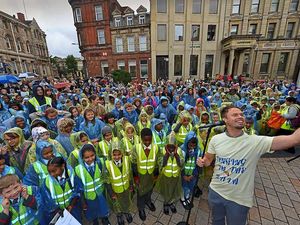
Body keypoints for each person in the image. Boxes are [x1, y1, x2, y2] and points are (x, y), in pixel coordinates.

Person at [196, 105, 300, 225]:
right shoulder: (216, 139)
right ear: (225, 119)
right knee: (216, 221)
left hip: (238, 199)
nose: (240, 117)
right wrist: (203, 162)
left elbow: (293, 140)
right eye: (235, 115)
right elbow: (208, 160)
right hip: (215, 192)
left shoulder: (255, 141)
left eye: (241, 114)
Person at [74, 144, 110, 225]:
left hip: (100, 192)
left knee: (102, 206)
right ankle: (95, 221)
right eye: (86, 157)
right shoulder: (78, 169)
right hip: (88, 196)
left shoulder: (100, 162)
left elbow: (105, 178)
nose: (90, 159)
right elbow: (79, 188)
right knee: (92, 210)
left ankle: (105, 218)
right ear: (82, 158)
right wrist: (83, 201)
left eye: (92, 155)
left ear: (95, 154)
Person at [40, 157, 81, 224]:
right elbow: (47, 199)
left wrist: (71, 205)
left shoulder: (71, 175)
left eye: (54, 171)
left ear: (62, 166)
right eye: (49, 172)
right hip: (59, 212)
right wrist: (57, 210)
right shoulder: (47, 182)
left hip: (73, 208)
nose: (52, 174)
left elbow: (77, 191)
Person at [104, 140, 135, 225]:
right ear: (111, 154)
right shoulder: (107, 164)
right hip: (115, 190)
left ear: (122, 153)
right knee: (116, 204)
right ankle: (119, 215)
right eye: (114, 155)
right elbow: (106, 181)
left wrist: (131, 185)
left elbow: (130, 173)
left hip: (126, 187)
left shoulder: (126, 160)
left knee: (126, 201)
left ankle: (126, 212)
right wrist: (111, 193)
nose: (117, 157)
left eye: (119, 154)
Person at [131, 128, 159, 221]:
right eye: (145, 140)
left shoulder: (155, 147)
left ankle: (148, 201)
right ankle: (141, 207)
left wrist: (156, 174)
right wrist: (135, 176)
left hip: (151, 173)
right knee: (141, 191)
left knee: (150, 189)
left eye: (149, 140)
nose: (147, 142)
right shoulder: (136, 147)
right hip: (140, 174)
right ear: (141, 139)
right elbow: (134, 162)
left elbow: (157, 161)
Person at [154, 134, 184, 215]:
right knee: (166, 190)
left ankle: (171, 202)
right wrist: (166, 154)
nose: (171, 149)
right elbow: (162, 164)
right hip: (166, 176)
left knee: (173, 190)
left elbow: (181, 164)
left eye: (173, 146)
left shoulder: (179, 151)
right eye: (169, 146)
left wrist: (176, 155)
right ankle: (166, 203)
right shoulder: (162, 151)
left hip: (175, 176)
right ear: (166, 146)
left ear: (176, 146)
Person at [180, 131, 203, 210]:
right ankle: (182, 198)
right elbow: (180, 165)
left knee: (190, 187)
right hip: (184, 173)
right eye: (190, 144)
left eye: (194, 144)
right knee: (183, 187)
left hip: (193, 173)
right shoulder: (182, 150)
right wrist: (184, 176)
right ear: (187, 142)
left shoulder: (198, 150)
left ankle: (187, 197)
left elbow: (198, 164)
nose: (192, 146)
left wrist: (194, 174)